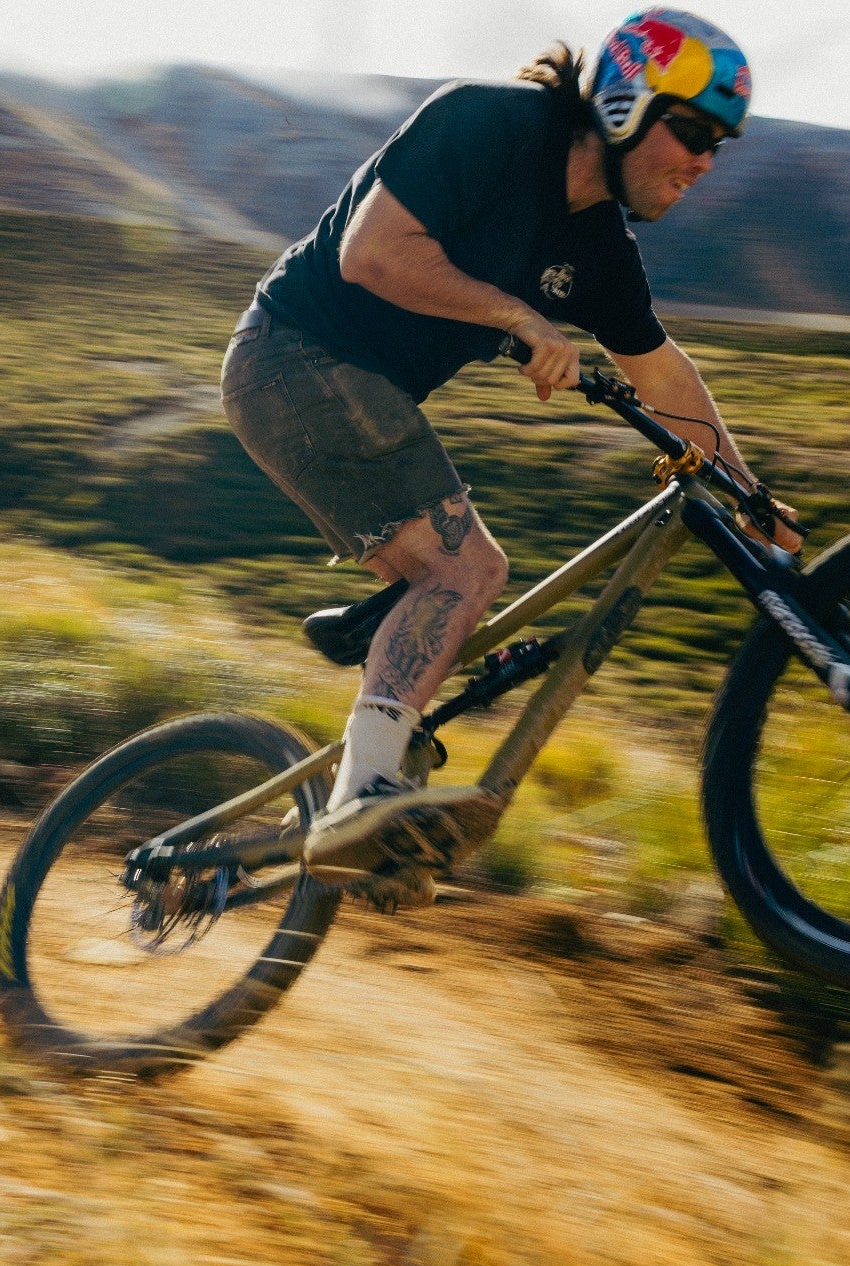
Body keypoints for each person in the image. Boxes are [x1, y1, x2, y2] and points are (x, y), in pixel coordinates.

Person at [220, 8, 800, 900]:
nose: (704, 161)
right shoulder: (486, 125)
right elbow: (372, 255)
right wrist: (519, 316)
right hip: (292, 357)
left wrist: (749, 497)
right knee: (467, 569)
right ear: (625, 105)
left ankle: (379, 799)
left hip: (348, 390)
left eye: (720, 146)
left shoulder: (600, 250)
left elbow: (662, 373)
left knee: (455, 589)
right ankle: (359, 800)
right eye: (692, 132)